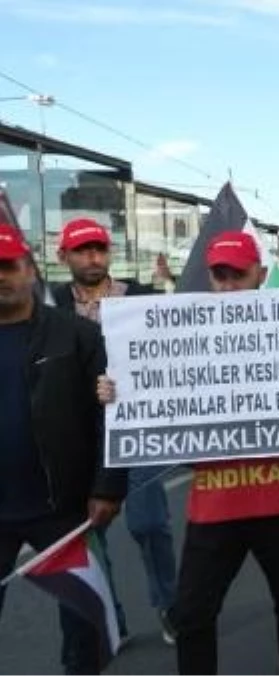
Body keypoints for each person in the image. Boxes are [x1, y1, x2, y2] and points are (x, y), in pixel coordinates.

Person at [98, 231, 279, 676]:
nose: (228, 285)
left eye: (238, 274)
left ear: (260, 275)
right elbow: (160, 402)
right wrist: (122, 394)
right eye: (220, 275)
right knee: (192, 616)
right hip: (215, 504)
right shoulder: (186, 334)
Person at [0, 223, 126, 675]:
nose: (2, 276)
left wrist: (108, 488)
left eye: (9, 265)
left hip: (64, 511)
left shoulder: (76, 335)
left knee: (82, 626)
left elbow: (108, 415)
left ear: (29, 268)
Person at [52, 217, 177, 645]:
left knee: (149, 524)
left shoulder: (138, 297)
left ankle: (169, 606)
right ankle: (110, 620)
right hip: (80, 440)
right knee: (88, 537)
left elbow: (172, 351)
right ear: (63, 255)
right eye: (82, 250)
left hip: (137, 430)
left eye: (99, 249)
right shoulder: (50, 304)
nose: (92, 257)